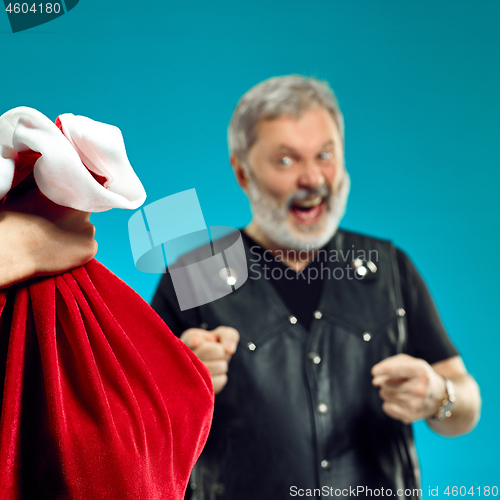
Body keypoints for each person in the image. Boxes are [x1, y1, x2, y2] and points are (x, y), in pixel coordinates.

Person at [151, 75, 481, 500]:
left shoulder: (389, 267)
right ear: (242, 172)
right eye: (286, 161)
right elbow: (134, 431)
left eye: (324, 155)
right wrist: (177, 386)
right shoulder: (193, 276)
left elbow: (465, 402)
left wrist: (440, 395)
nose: (312, 178)